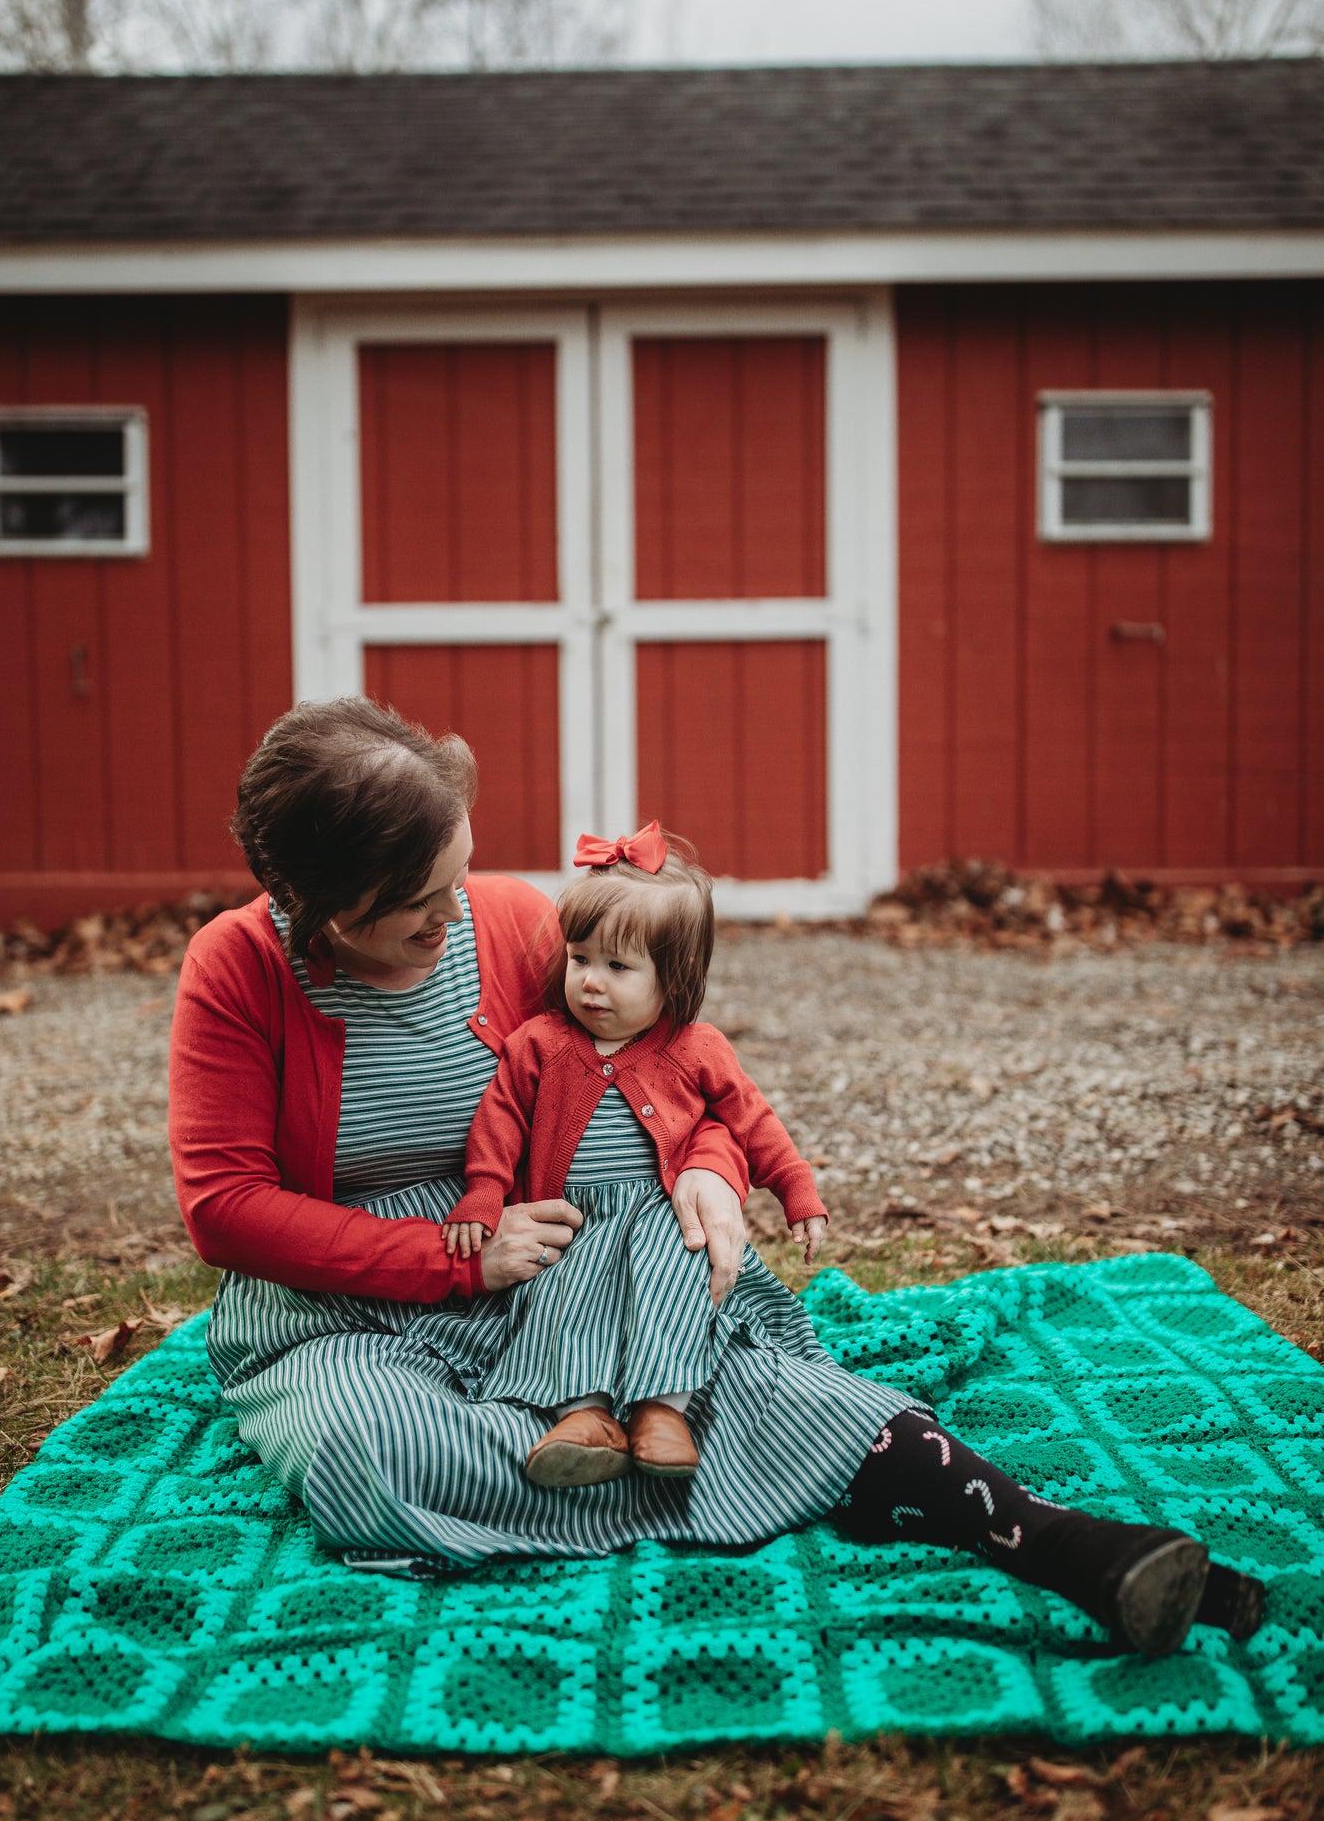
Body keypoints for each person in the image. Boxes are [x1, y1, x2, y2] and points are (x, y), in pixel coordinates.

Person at [169, 695, 1263, 1659]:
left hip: (565, 1265)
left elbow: (658, 1062)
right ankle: (711, 1470)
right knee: (372, 1442)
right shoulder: (238, 966)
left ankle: (1062, 1543)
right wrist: (452, 1258)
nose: (459, 914)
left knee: (757, 1378)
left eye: (459, 879)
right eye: (421, 899)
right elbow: (224, 1210)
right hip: (347, 1304)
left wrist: (708, 1165)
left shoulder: (503, 920)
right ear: (326, 904)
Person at [440, 821, 832, 1489]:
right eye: (580, 958)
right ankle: (582, 1415)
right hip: (570, 1214)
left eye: (618, 967)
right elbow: (499, 1119)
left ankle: (662, 1411)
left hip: (657, 1211)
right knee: (564, 1293)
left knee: (675, 1279)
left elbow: (751, 1120)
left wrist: (794, 1188)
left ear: (672, 978)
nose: (591, 982)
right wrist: (483, 1191)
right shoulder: (539, 1042)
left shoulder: (696, 1047)